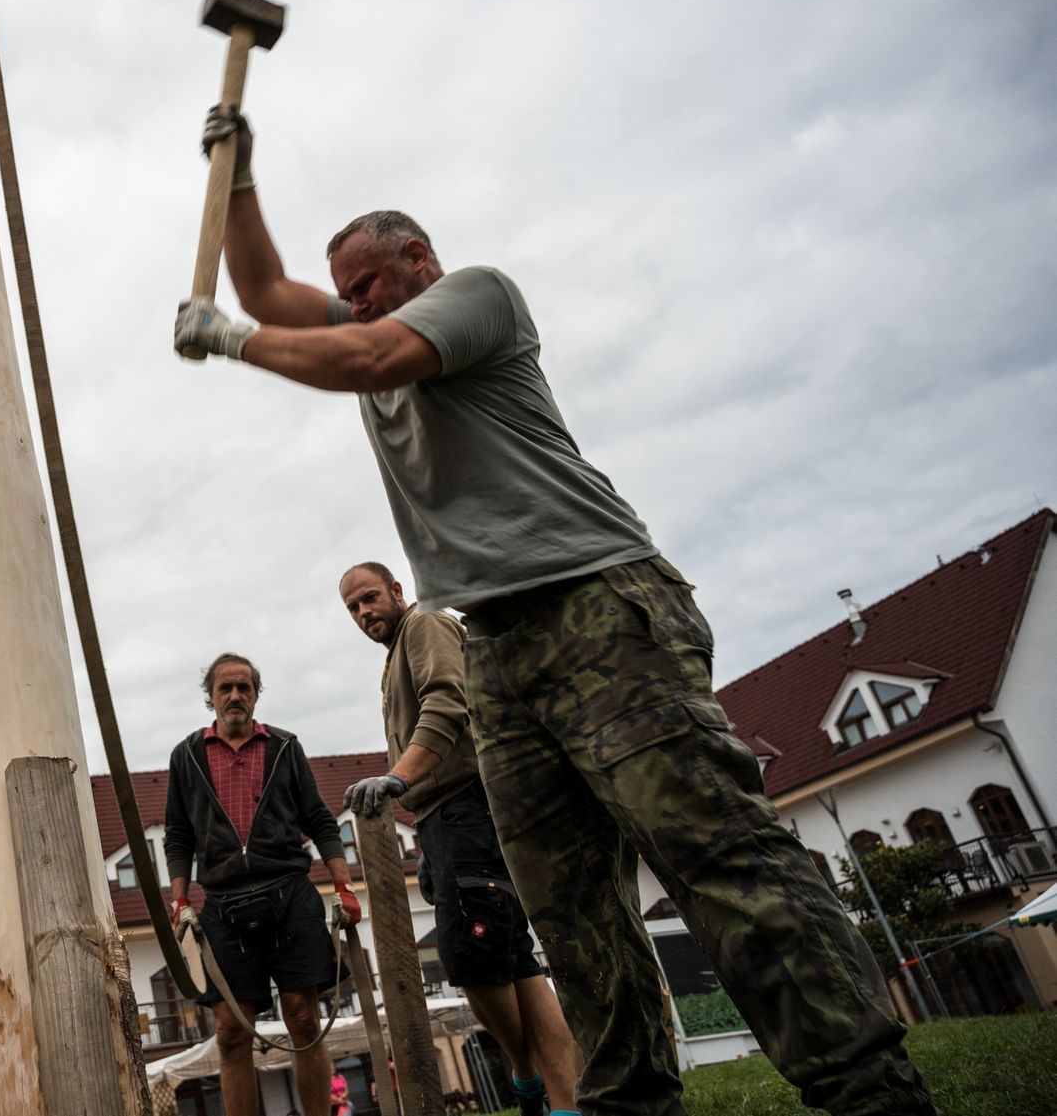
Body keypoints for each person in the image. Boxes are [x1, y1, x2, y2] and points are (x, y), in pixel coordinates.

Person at [172, 115, 936, 1116]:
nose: (354, 304)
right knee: (567, 908)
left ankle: (868, 1088)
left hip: (598, 605)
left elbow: (348, 353)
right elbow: (270, 294)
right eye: (347, 292)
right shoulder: (365, 321)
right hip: (496, 641)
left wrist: (231, 340)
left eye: (368, 284)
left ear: (420, 259)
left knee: (716, 856)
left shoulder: (474, 298)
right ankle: (628, 1103)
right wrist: (239, 181)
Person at [338, 561, 579, 1116]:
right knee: (515, 961)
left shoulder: (423, 623)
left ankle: (524, 1077)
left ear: (397, 591)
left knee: (469, 957)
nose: (363, 612)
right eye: (352, 608)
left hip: (466, 807)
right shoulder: (397, 650)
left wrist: (400, 776)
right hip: (449, 817)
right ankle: (565, 1106)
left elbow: (449, 701)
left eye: (370, 598)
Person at [163, 653, 360, 1116]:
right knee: (231, 1032)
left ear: (256, 695)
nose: (235, 696)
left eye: (244, 688)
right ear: (209, 697)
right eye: (225, 688)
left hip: (289, 893)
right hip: (224, 903)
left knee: (304, 1018)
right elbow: (178, 834)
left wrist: (344, 886)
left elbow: (319, 820)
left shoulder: (285, 747)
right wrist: (179, 899)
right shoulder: (187, 755)